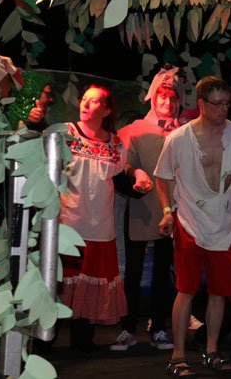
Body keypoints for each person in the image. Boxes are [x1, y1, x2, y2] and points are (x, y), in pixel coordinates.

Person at [154, 75, 231, 376]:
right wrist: (166, 211)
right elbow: (163, 175)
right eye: (217, 104)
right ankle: (177, 355)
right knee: (185, 289)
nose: (223, 109)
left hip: (224, 225)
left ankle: (212, 351)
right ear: (201, 104)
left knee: (219, 291)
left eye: (227, 104)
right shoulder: (178, 139)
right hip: (189, 221)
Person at [59, 85, 153, 352]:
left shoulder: (114, 144)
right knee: (59, 284)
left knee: (88, 284)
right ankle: (45, 342)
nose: (86, 104)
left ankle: (82, 341)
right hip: (68, 223)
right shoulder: (65, 133)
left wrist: (138, 180)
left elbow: (120, 180)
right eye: (84, 99)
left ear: (108, 109)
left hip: (99, 226)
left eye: (94, 101)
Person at [110, 66, 184, 351]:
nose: (167, 103)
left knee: (164, 269)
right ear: (153, 97)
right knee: (134, 269)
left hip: (171, 207)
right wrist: (135, 173)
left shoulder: (184, 131)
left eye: (172, 98)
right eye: (162, 97)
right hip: (142, 204)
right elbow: (123, 163)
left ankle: (159, 327)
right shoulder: (138, 128)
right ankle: (128, 328)